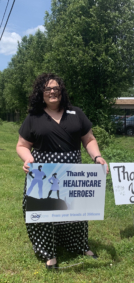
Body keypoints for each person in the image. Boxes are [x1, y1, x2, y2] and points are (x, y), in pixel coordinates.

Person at [16, 73, 109, 269]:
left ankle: (79, 245)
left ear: (61, 91)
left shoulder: (76, 113)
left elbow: (89, 139)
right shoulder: (34, 117)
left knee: (76, 210)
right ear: (41, 93)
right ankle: (48, 252)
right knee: (44, 211)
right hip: (44, 172)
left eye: (56, 88)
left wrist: (97, 157)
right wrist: (28, 158)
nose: (52, 92)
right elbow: (22, 145)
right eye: (48, 89)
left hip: (72, 170)